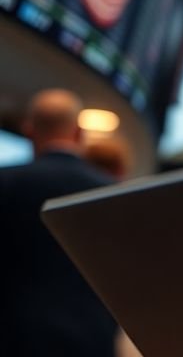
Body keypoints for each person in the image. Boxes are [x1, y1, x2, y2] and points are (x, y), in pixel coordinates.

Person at [0, 89, 119, 356]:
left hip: (14, 339)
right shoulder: (111, 193)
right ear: (79, 132)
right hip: (89, 340)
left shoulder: (5, 182)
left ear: (29, 131)